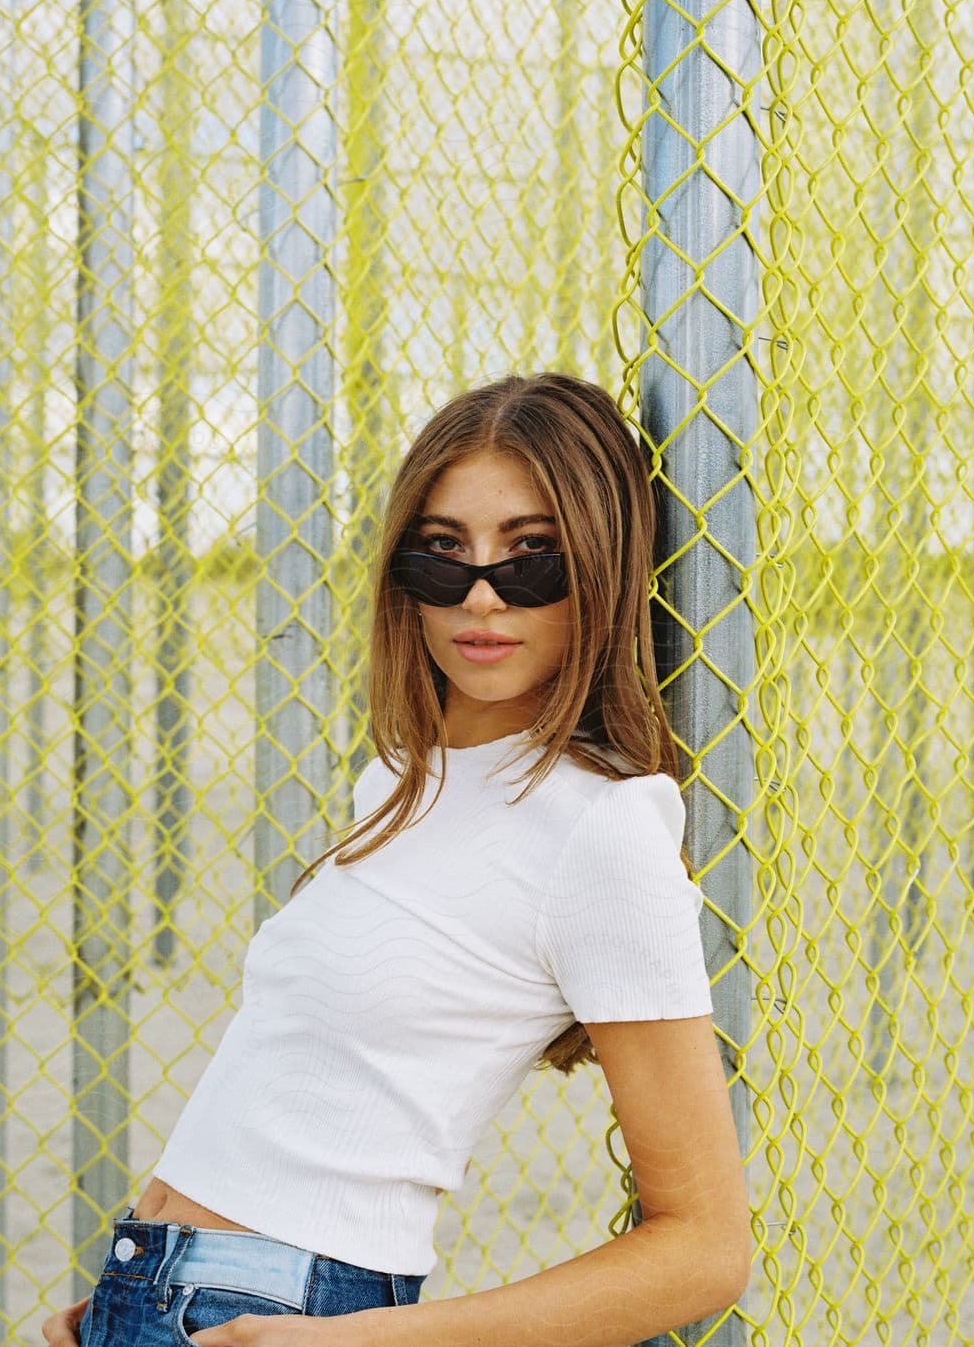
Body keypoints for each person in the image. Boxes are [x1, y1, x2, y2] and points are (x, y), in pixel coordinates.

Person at [44, 372, 751, 1347]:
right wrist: (143, 1278)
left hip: (293, 1310)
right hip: (163, 1288)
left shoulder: (604, 826)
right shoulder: (399, 778)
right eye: (443, 553)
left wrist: (352, 1339)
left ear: (603, 566)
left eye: (532, 557)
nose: (481, 595)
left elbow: (705, 1247)